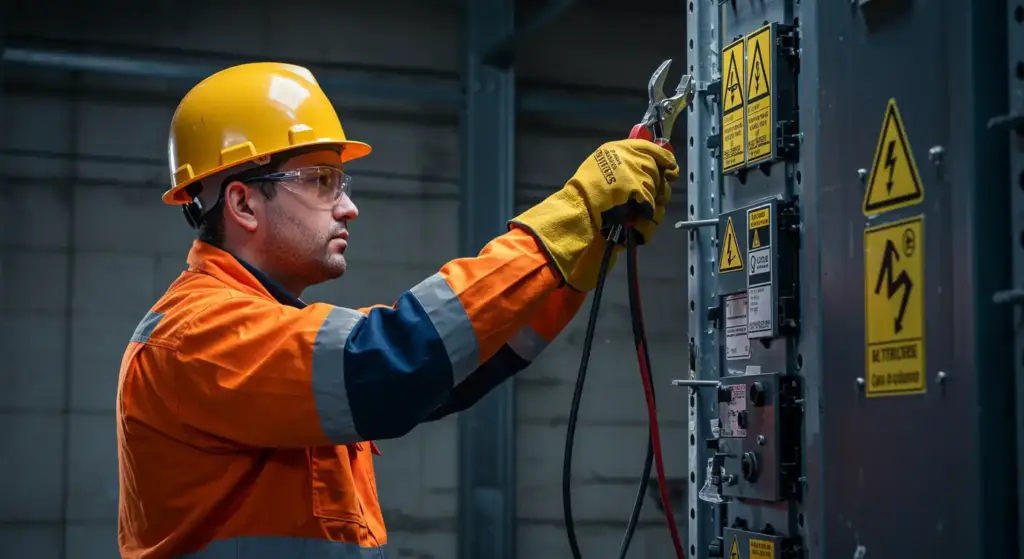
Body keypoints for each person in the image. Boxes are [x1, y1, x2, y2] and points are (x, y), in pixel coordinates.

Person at [116, 62, 678, 559]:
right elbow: (390, 364)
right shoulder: (193, 336)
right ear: (242, 202)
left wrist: (575, 263)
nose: (349, 207)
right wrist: (568, 219)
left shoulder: (264, 335)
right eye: (321, 181)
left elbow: (445, 372)